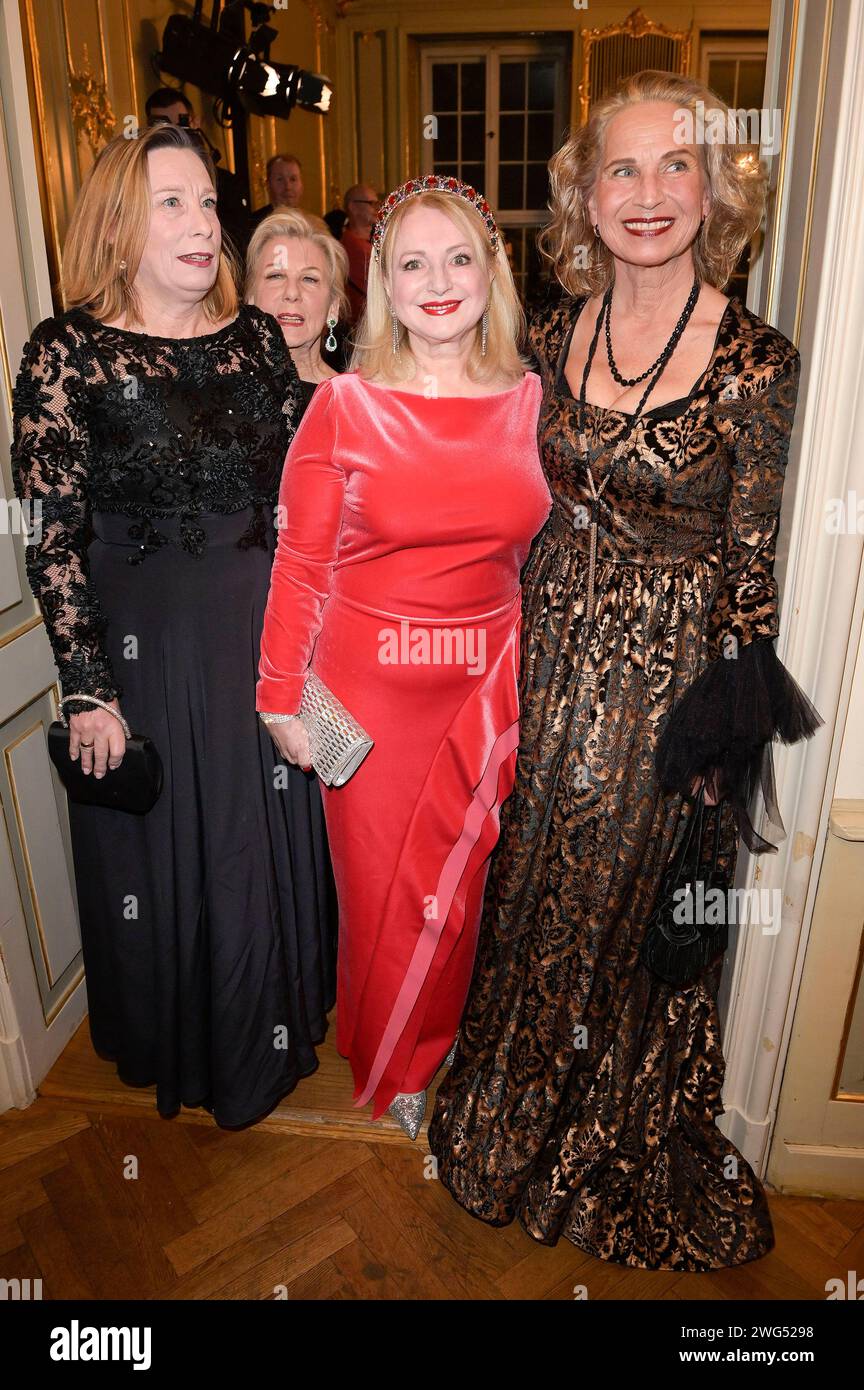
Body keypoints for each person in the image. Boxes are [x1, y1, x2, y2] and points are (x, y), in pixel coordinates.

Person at [428, 72, 822, 1269]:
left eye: (676, 166)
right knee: (519, 896)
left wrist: (722, 744)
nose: (648, 194)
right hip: (534, 661)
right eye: (621, 168)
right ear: (584, 196)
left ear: (715, 189)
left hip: (658, 698)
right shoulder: (550, 330)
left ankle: (589, 1137)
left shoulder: (758, 362)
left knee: (605, 923)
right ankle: (500, 1110)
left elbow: (749, 573)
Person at [12, 122, 337, 1128]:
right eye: (173, 203)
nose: (203, 225)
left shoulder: (250, 339)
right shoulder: (65, 350)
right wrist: (87, 685)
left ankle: (263, 1028)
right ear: (121, 220)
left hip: (258, 638)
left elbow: (306, 482)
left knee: (250, 845)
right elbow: (49, 530)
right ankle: (178, 1041)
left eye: (208, 203)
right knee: (157, 867)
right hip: (144, 659)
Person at [254, 175, 552, 1137]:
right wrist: (279, 697)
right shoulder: (347, 405)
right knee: (381, 893)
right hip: (364, 697)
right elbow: (298, 563)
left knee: (455, 892)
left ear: (490, 271)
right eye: (412, 262)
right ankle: (393, 1056)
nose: (438, 281)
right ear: (382, 280)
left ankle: (429, 1036)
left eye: (458, 258)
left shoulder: (532, 401)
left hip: (482, 689)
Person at [245, 208, 349, 418]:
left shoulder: (353, 405)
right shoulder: (216, 390)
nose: (292, 293)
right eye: (275, 276)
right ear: (250, 299)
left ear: (333, 307)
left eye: (309, 279)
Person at [145, 86, 251, 252]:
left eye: (207, 203)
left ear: (195, 123)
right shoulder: (142, 181)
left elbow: (240, 244)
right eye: (164, 128)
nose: (174, 136)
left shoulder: (227, 185)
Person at [340, 184, 379, 325]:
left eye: (377, 203)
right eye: (370, 203)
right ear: (352, 207)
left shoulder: (371, 241)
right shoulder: (351, 246)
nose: (377, 208)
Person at [251, 154, 304, 227]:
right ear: (268, 185)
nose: (288, 187)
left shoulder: (311, 224)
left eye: (293, 179)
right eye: (280, 179)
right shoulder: (254, 225)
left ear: (301, 185)